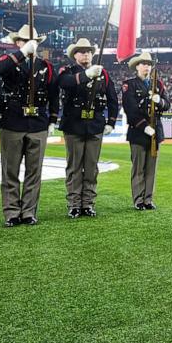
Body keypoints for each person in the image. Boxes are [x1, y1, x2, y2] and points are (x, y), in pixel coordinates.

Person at [0, 25, 59, 227]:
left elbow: (53, 95)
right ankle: (11, 212)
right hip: (13, 122)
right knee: (10, 171)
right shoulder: (10, 61)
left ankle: (29, 211)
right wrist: (22, 54)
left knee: (34, 172)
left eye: (33, 42)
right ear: (18, 43)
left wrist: (53, 119)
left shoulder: (46, 67)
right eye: (23, 41)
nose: (30, 44)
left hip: (38, 124)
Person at [58, 38, 119, 218]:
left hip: (95, 125)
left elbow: (113, 99)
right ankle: (74, 204)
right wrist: (86, 75)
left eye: (88, 51)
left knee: (91, 168)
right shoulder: (67, 71)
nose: (85, 54)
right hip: (74, 125)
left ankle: (88, 203)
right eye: (81, 51)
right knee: (74, 167)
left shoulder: (104, 74)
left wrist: (111, 122)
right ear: (74, 55)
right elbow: (64, 83)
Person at [121, 51, 170, 211]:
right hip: (138, 132)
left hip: (156, 131)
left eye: (148, 64)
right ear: (137, 66)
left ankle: (148, 199)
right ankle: (138, 199)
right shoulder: (130, 84)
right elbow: (130, 109)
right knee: (138, 168)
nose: (146, 67)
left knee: (151, 168)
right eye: (143, 64)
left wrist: (160, 101)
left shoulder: (158, 84)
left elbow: (168, 104)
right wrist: (144, 126)